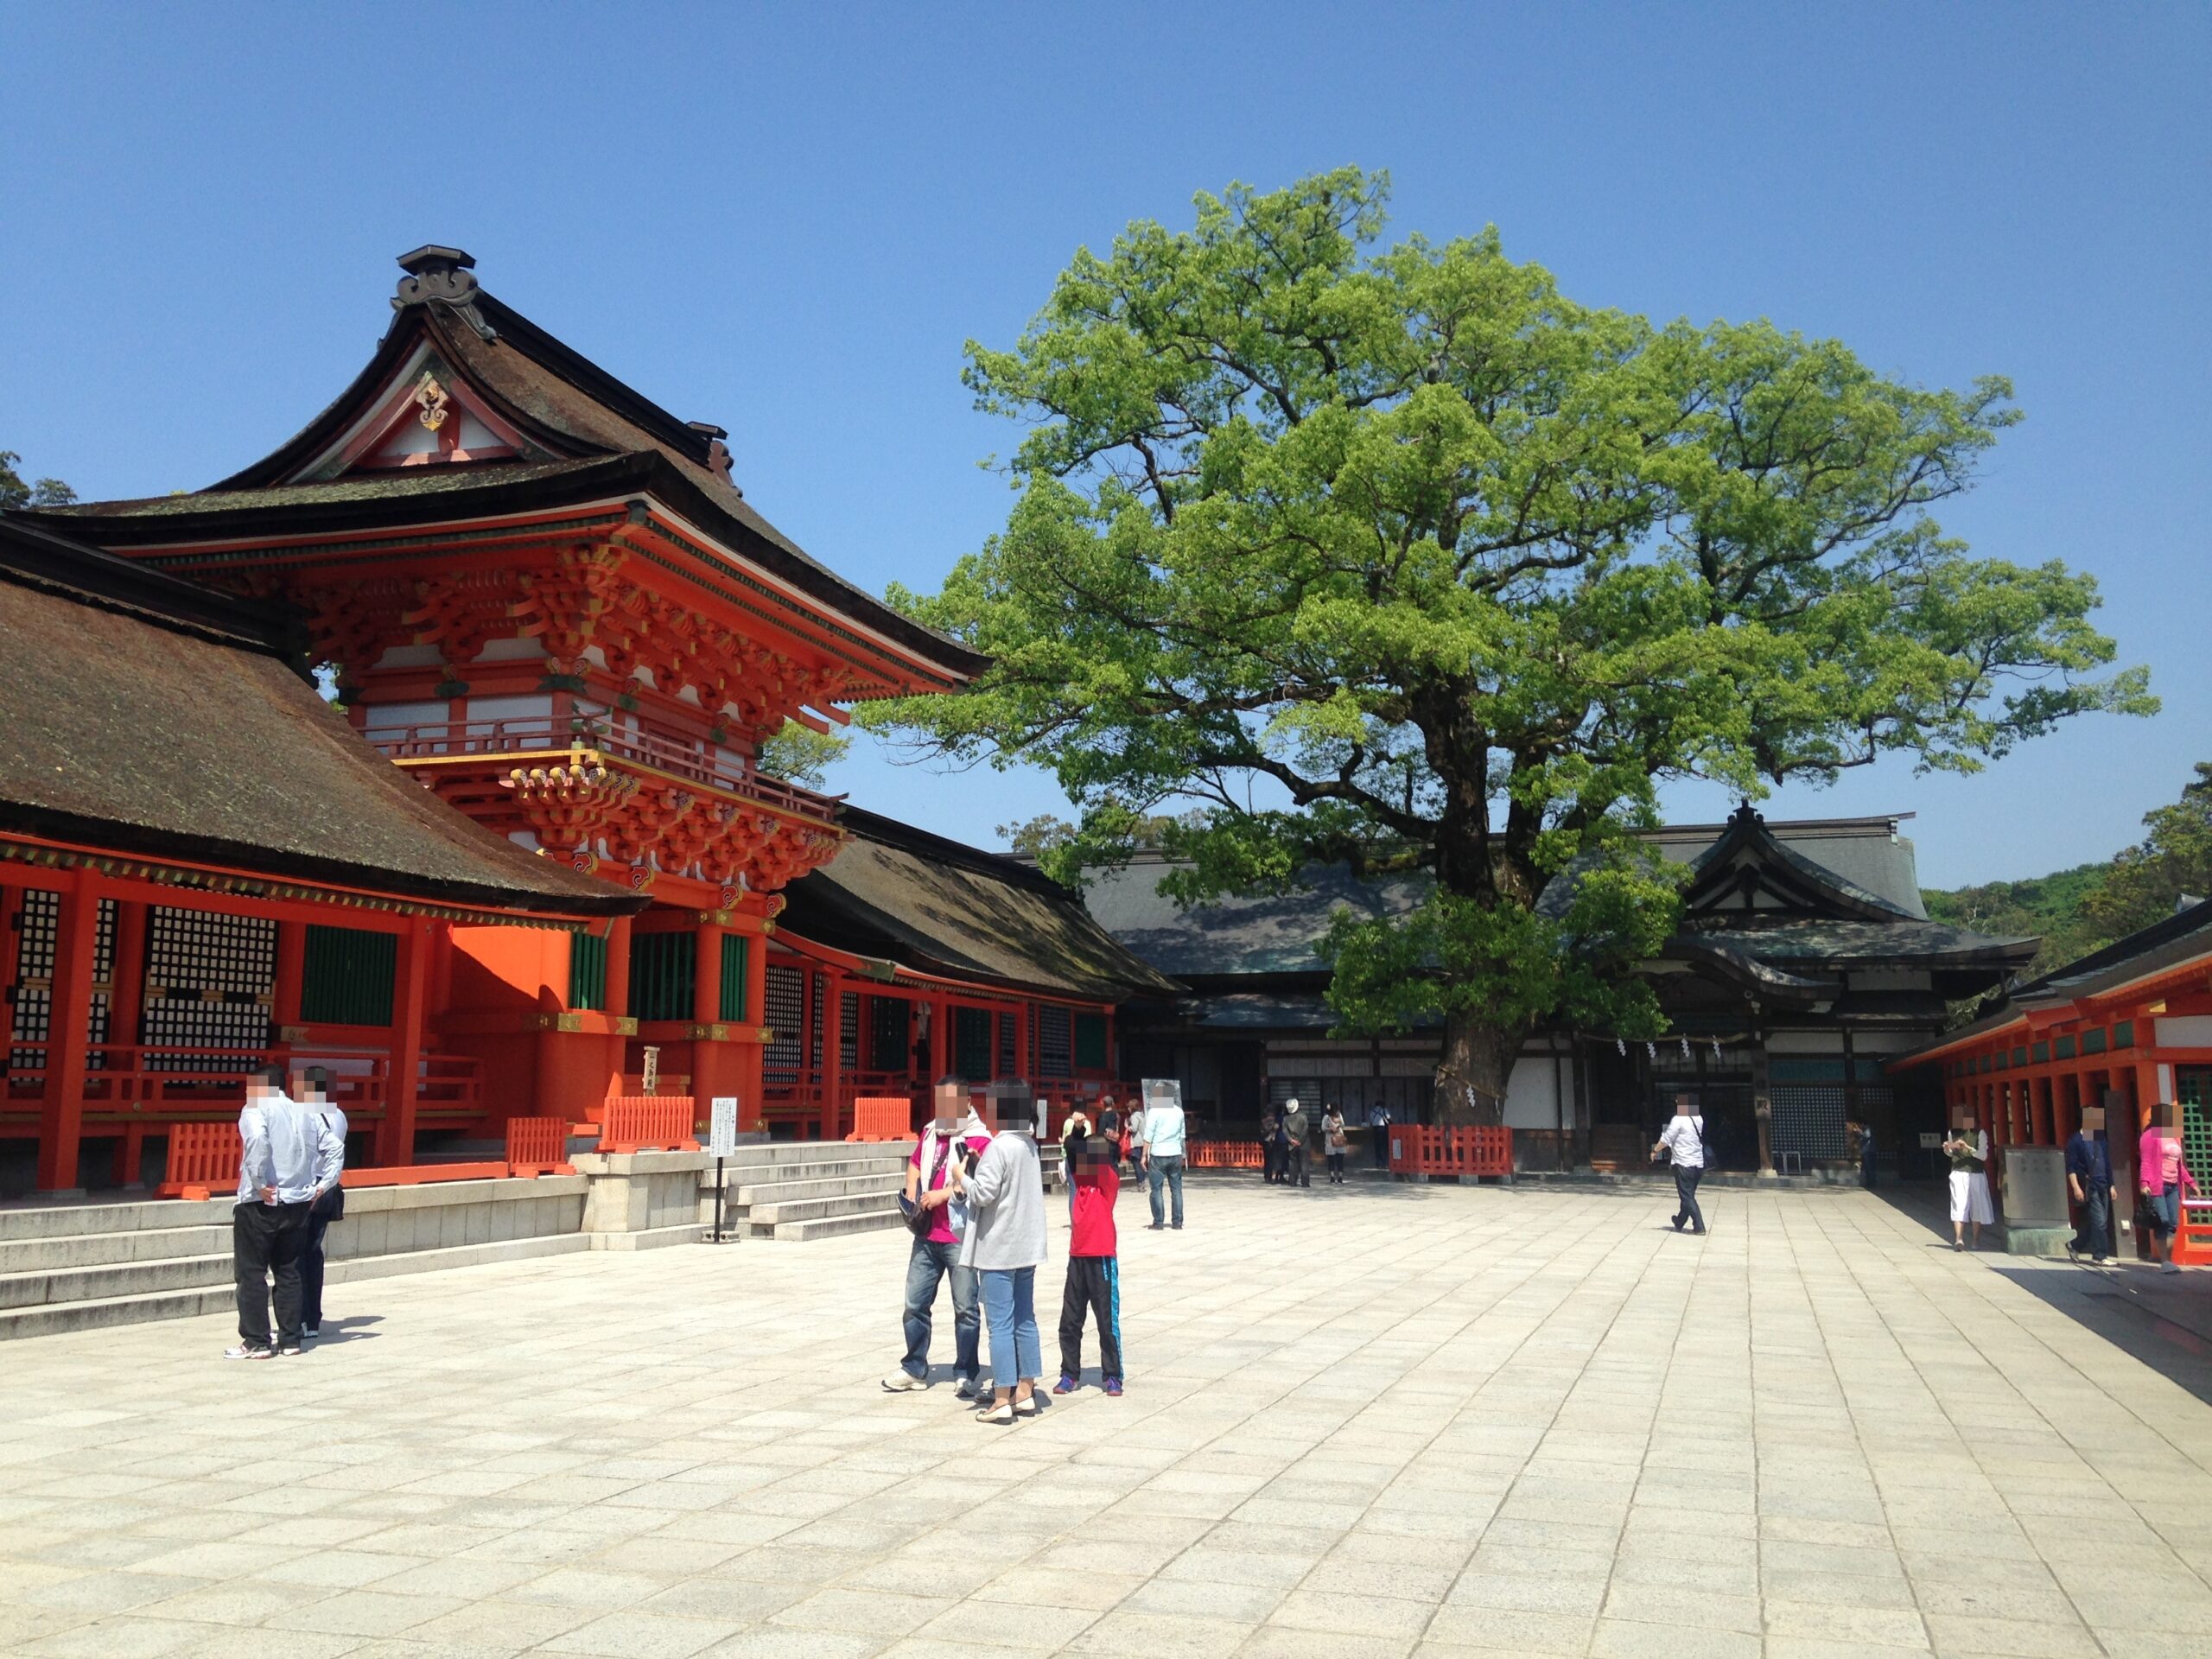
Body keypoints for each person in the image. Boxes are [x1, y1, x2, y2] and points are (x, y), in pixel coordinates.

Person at [226, 1065, 344, 1359]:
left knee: (252, 1272)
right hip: (299, 1201)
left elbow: (256, 1141)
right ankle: (291, 1338)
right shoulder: (305, 1111)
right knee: (289, 1270)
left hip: (262, 1201)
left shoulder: (255, 1108)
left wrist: (258, 1181)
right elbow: (334, 1147)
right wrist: (325, 1183)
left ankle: (257, 1340)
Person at [885, 1085, 992, 1396]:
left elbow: (975, 1181)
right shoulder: (931, 1132)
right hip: (927, 1233)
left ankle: (966, 1371)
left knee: (966, 1308)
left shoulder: (978, 1138)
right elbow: (915, 1163)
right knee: (914, 1303)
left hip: (960, 1235)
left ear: (967, 1102)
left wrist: (940, 1195)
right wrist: (912, 1193)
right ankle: (914, 1366)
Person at [954, 1093, 1048, 1424]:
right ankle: (1026, 1388)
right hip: (1026, 1245)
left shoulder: (1000, 1146)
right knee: (1025, 1318)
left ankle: (1002, 1396)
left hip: (999, 1249)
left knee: (1000, 1325)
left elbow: (982, 1193)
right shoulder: (1028, 1146)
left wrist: (961, 1176)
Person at [1055, 1135, 1123, 1395]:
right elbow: (1072, 1147)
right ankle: (1069, 1373)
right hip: (1077, 1257)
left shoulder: (1107, 1182)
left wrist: (1097, 1145)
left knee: (1106, 1320)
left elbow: (1095, 1158)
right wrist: (1080, 1128)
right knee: (1070, 1320)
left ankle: (1113, 1374)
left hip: (1102, 1257)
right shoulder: (1079, 1182)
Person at [294, 1066, 348, 1341]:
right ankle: (312, 1319)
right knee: (313, 1253)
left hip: (308, 1187)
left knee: (298, 1254)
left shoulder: (305, 1114)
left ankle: (301, 1317)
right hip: (329, 1188)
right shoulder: (339, 1114)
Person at [2138, 1102, 2198, 1275]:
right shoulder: (2150, 1136)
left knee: (2173, 1223)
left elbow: (2179, 1164)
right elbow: (2147, 1161)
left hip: (2173, 1185)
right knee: (2162, 1220)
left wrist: (2190, 1182)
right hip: (2158, 1184)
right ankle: (2164, 1260)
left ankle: (2169, 1260)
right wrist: (2144, 1183)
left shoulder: (2172, 1136)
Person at [2065, 1105, 2117, 1265]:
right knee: (2100, 1221)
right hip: (2089, 1184)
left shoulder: (2101, 1139)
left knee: (2096, 1221)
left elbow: (2107, 1163)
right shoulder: (2075, 1141)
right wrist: (2076, 1187)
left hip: (2103, 1183)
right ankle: (2100, 1255)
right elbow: (2071, 1166)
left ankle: (2074, 1245)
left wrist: (2112, 1185)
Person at [1652, 1094, 1707, 1235]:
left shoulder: (1678, 1120)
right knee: (1689, 1194)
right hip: (1698, 1163)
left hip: (1683, 1162)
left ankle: (1699, 1226)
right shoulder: (1698, 1118)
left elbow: (1667, 1138)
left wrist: (1655, 1150)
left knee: (1686, 1196)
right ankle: (1680, 1221)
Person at [1942, 1110, 1994, 1251]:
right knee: (1959, 1204)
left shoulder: (1980, 1134)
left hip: (1975, 1173)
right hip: (1958, 1172)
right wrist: (1948, 1148)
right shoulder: (1953, 1133)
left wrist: (1968, 1148)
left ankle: (1976, 1239)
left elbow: (1983, 1155)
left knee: (1977, 1205)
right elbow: (1951, 1153)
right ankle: (1959, 1239)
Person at [1140, 1086, 1187, 1230]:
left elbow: (1149, 1136)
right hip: (1175, 1153)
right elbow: (1182, 1135)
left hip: (1159, 1153)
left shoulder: (1155, 1112)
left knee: (1157, 1189)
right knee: (1176, 1189)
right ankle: (1177, 1222)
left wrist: (1143, 1155)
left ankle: (1158, 1222)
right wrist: (1184, 1155)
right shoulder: (1179, 1111)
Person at [1281, 1098, 1311, 1188]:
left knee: (1293, 1162)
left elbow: (1285, 1131)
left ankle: (1292, 1182)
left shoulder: (1286, 1119)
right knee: (1304, 1162)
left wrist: (1291, 1140)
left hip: (1292, 1143)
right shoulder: (1303, 1116)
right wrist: (1300, 1140)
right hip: (1304, 1143)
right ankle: (1305, 1183)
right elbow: (1305, 1129)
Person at [1322, 1103, 1350, 1183]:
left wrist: (1330, 1129)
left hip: (1330, 1139)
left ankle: (1332, 1176)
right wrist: (1337, 1127)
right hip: (1340, 1138)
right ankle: (1340, 1176)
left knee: (1331, 1159)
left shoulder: (1326, 1118)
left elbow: (1323, 1128)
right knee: (1340, 1159)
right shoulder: (1339, 1115)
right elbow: (1343, 1125)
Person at [1847, 1117, 1877, 1190]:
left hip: (1868, 1151)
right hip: (1868, 1150)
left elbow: (1867, 1136)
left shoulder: (1867, 1129)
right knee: (1868, 1167)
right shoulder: (1866, 1129)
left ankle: (1871, 1183)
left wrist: (1859, 1131)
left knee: (1869, 1167)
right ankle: (1870, 1182)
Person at [1260, 1106, 1282, 1185]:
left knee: (1267, 1160)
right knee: (1273, 1160)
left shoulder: (1263, 1121)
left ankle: (1266, 1177)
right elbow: (1276, 1129)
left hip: (1265, 1141)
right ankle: (1273, 1177)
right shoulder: (1274, 1121)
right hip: (1273, 1141)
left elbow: (1262, 1131)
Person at [1367, 1101, 1391, 1170]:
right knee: (1383, 1146)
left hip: (1375, 1129)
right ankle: (1385, 1163)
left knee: (1377, 1146)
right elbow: (1389, 1119)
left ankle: (1378, 1163)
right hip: (1382, 1128)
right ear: (1381, 1104)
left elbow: (1371, 1122)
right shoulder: (1384, 1110)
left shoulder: (1372, 1112)